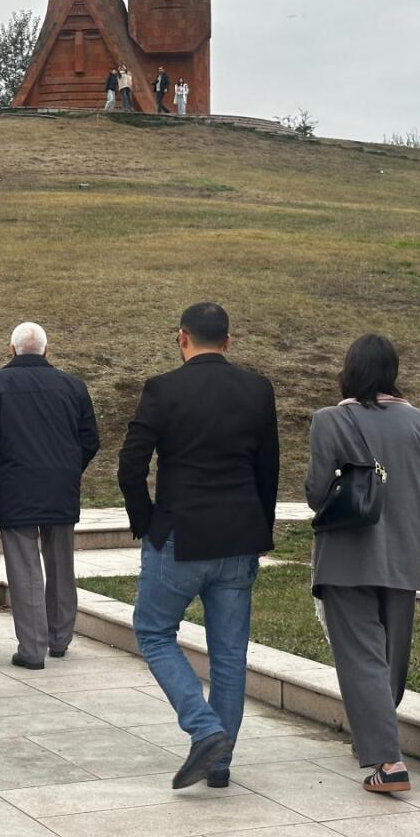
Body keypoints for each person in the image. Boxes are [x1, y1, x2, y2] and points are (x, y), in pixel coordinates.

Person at [117, 302, 279, 790]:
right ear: (228, 342)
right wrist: (261, 532)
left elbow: (130, 465)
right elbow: (267, 469)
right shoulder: (257, 389)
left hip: (179, 538)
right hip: (238, 540)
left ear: (181, 337)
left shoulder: (163, 389)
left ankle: (205, 730)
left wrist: (146, 522)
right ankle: (219, 762)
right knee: (229, 655)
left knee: (153, 631)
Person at [304, 334, 420, 794]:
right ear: (392, 371)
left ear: (348, 371)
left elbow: (315, 493)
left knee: (362, 656)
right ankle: (377, 733)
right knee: (390, 658)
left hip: (346, 556)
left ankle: (387, 759)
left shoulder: (328, 420)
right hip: (402, 554)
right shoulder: (419, 421)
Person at [0, 321, 99, 669]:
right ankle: (59, 639)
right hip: (61, 486)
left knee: (24, 570)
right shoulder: (73, 385)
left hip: (16, 486)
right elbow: (90, 440)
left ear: (11, 350)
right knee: (61, 565)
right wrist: (70, 469)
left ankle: (32, 649)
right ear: (46, 350)